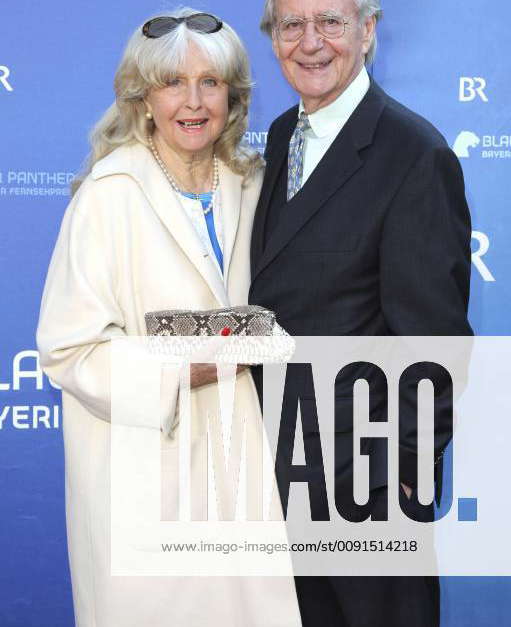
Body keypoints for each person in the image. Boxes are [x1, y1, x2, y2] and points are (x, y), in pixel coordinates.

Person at [36, 8, 301, 627]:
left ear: (233, 96)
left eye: (210, 82)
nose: (193, 101)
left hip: (245, 483)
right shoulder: (109, 195)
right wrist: (206, 363)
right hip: (146, 485)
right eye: (172, 83)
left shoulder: (253, 184)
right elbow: (70, 352)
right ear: (141, 96)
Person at [249, 0, 473, 626]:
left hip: (366, 494)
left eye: (331, 22)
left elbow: (438, 343)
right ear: (273, 40)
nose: (311, 42)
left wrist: (402, 474)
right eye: (292, 24)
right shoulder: (279, 137)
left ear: (368, 31)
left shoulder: (414, 154)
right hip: (277, 481)